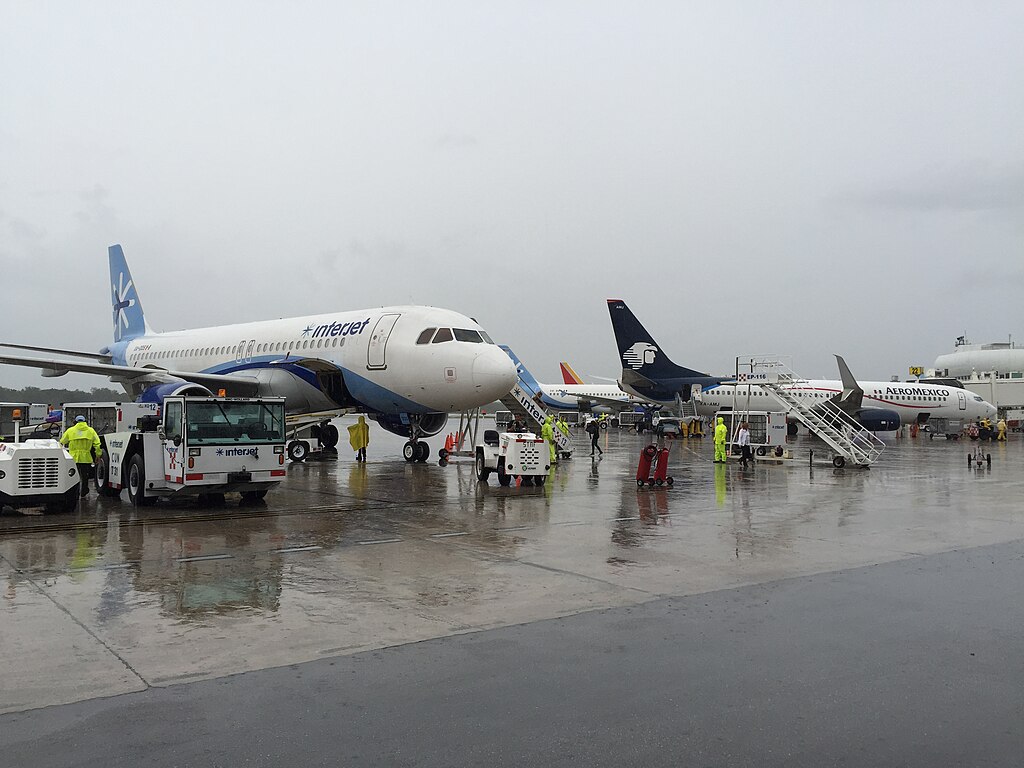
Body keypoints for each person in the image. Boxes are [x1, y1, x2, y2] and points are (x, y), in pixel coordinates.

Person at [60, 415, 101, 497]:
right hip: (86, 458)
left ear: (75, 422)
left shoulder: (70, 430)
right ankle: (84, 491)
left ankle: (75, 492)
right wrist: (98, 455)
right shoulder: (91, 431)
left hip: (73, 458)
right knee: (85, 476)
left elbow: (62, 441)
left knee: (73, 476)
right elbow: (97, 444)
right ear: (85, 421)